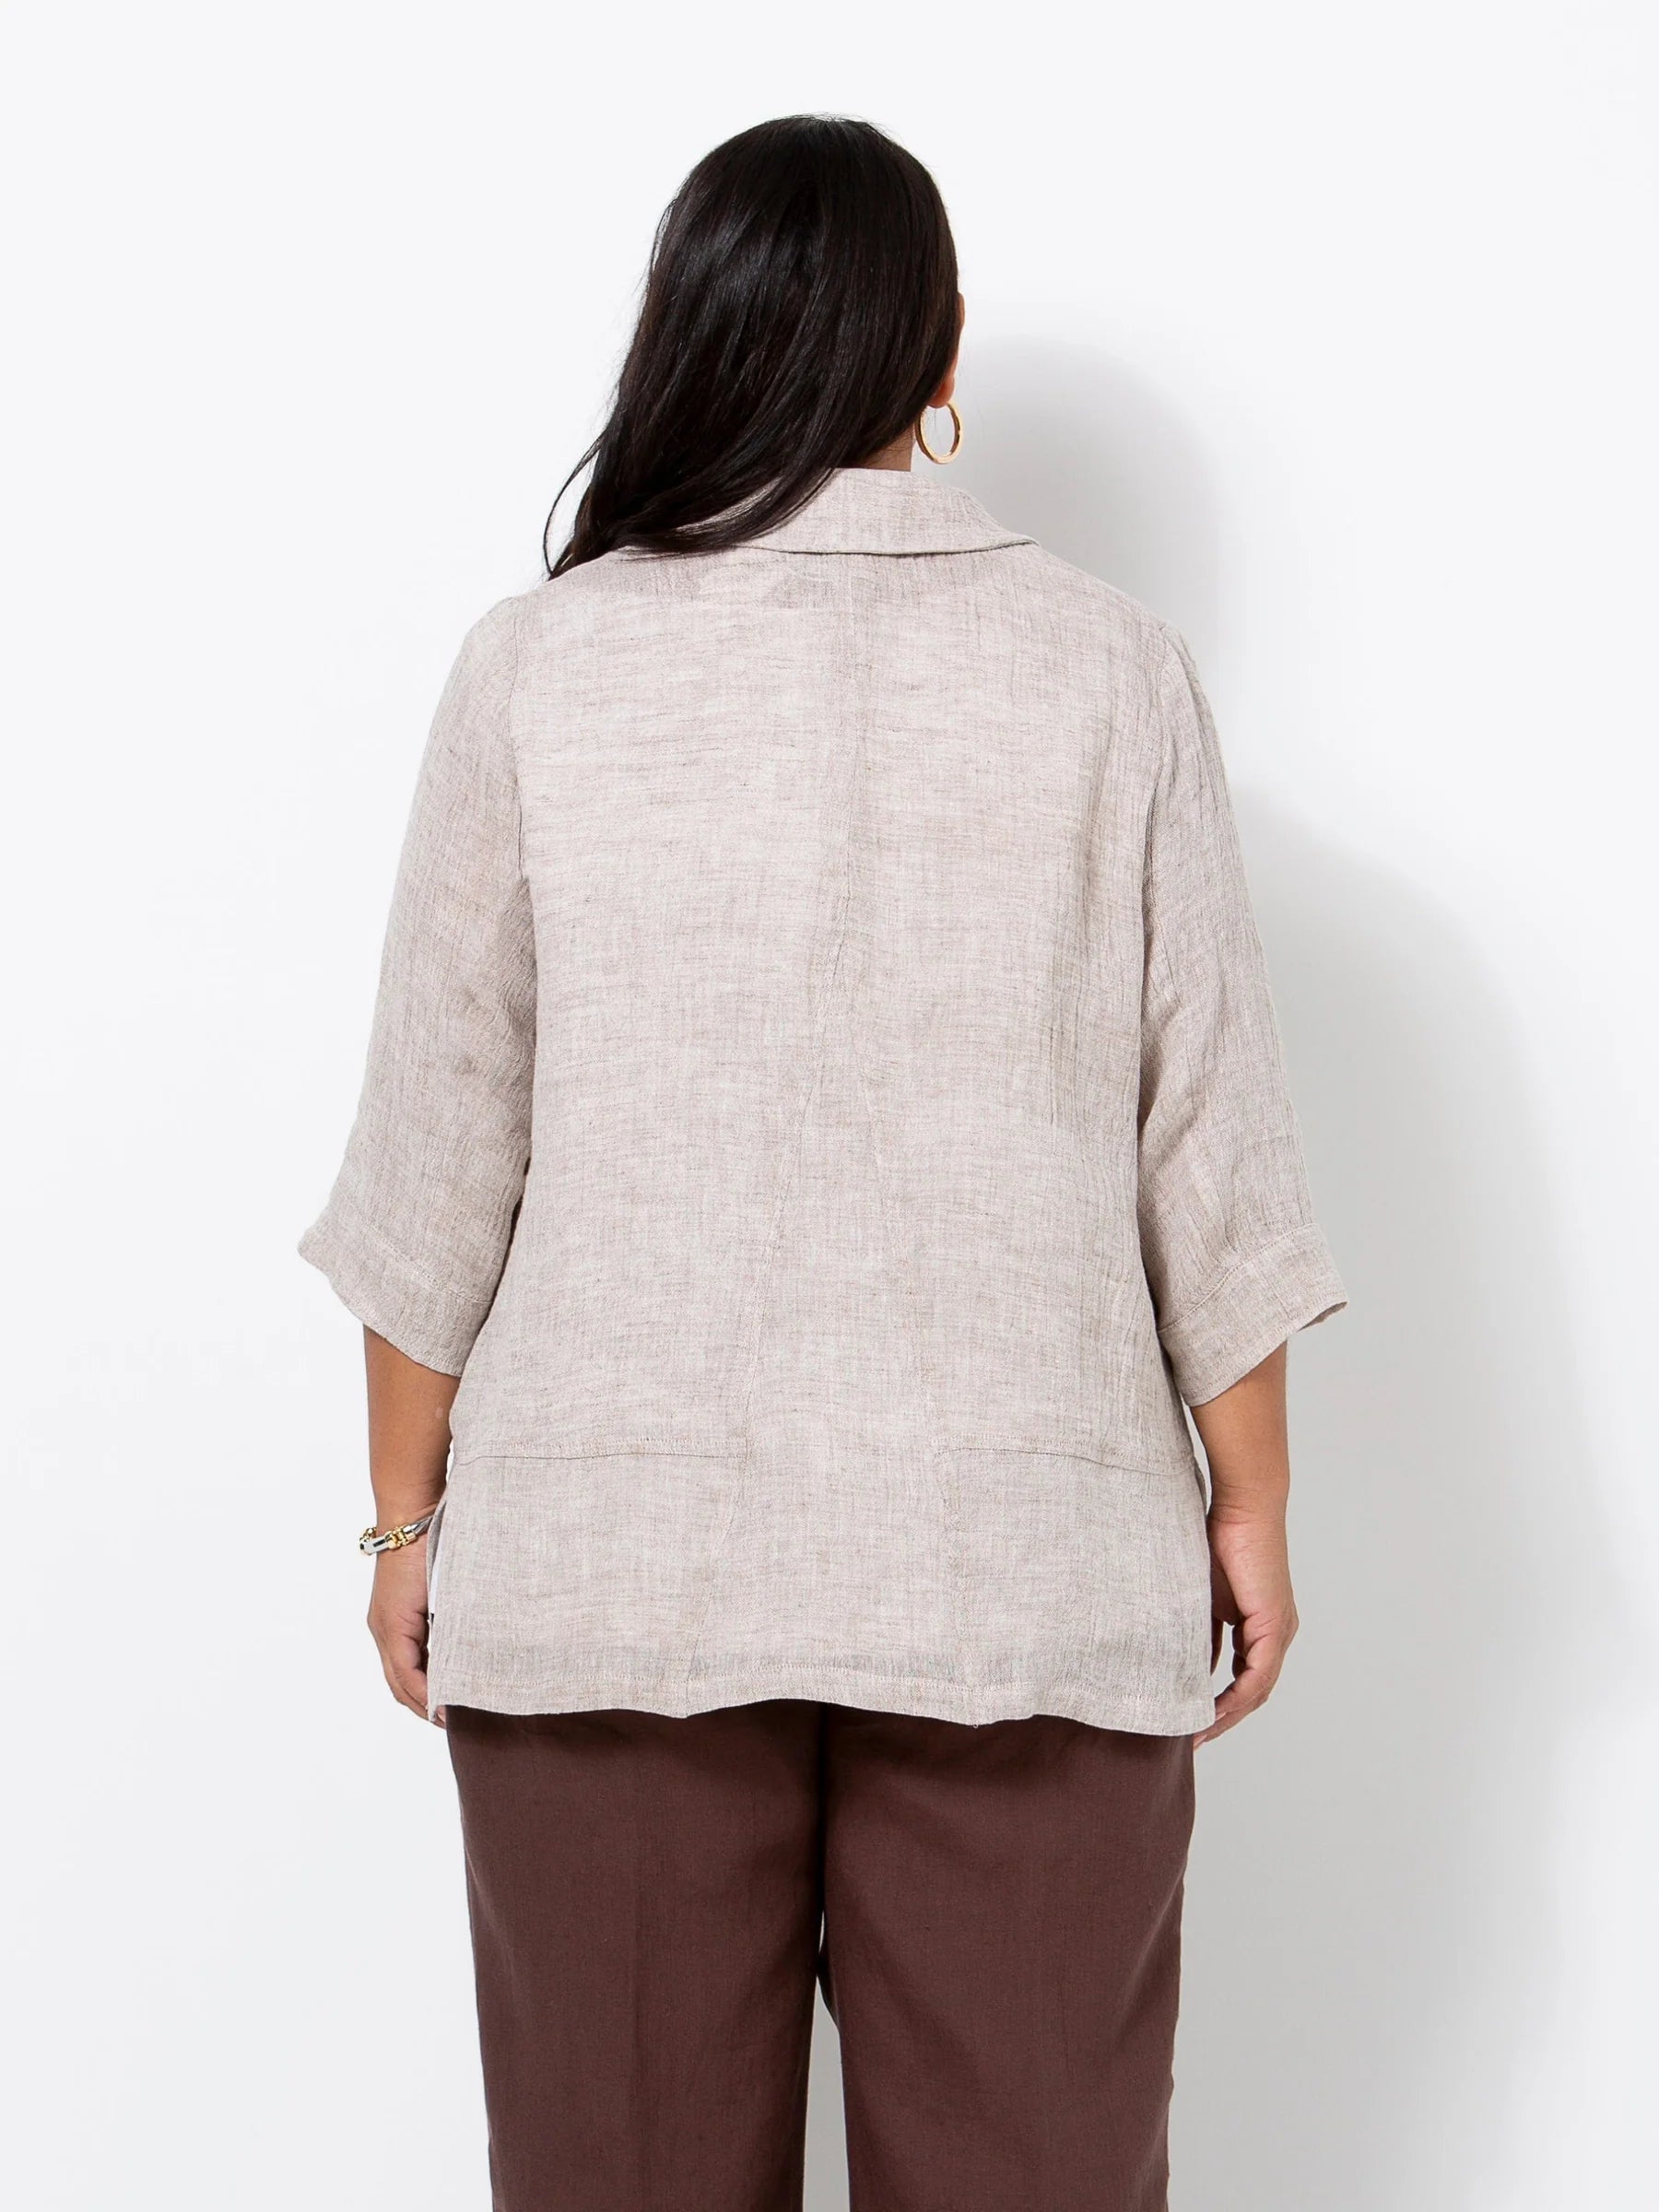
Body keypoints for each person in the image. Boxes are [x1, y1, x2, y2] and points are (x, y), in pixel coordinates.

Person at [300, 112, 1346, 2212]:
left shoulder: (540, 668)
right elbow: (1206, 1146)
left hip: (608, 1570)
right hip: (1030, 1566)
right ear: (938, 356)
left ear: (689, 333)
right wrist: (1252, 1505)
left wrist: (404, 1521)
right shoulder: (1113, 673)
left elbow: (441, 1148)